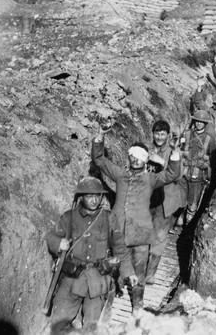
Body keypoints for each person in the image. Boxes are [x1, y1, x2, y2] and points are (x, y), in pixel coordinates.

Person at [91, 130, 181, 311]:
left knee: (139, 272)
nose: (135, 160)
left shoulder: (151, 179)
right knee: (113, 268)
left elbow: (171, 174)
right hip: (117, 232)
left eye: (140, 157)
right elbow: (99, 159)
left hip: (140, 234)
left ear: (146, 160)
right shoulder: (120, 174)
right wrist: (99, 138)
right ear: (129, 157)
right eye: (132, 156)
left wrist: (175, 153)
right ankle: (108, 304)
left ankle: (137, 307)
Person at [46, 177, 132, 332]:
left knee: (92, 327)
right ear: (81, 197)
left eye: (97, 196)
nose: (94, 200)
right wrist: (59, 244)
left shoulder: (109, 218)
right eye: (89, 196)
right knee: (58, 323)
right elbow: (52, 236)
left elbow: (120, 247)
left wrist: (128, 273)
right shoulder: (69, 217)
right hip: (72, 278)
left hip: (97, 280)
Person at [146, 120, 187, 284]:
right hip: (149, 198)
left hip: (167, 199)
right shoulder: (148, 149)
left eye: (163, 134)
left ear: (167, 135)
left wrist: (161, 162)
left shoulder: (173, 152)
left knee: (160, 235)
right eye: (157, 133)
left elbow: (177, 175)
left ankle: (150, 273)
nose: (159, 137)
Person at [181, 110, 216, 225]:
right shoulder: (186, 134)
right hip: (184, 172)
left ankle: (188, 227)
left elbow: (214, 158)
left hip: (198, 175)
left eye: (201, 122)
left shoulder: (209, 139)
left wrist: (210, 175)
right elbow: (180, 151)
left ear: (205, 124)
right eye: (197, 121)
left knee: (193, 203)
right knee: (180, 200)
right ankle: (177, 222)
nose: (199, 124)